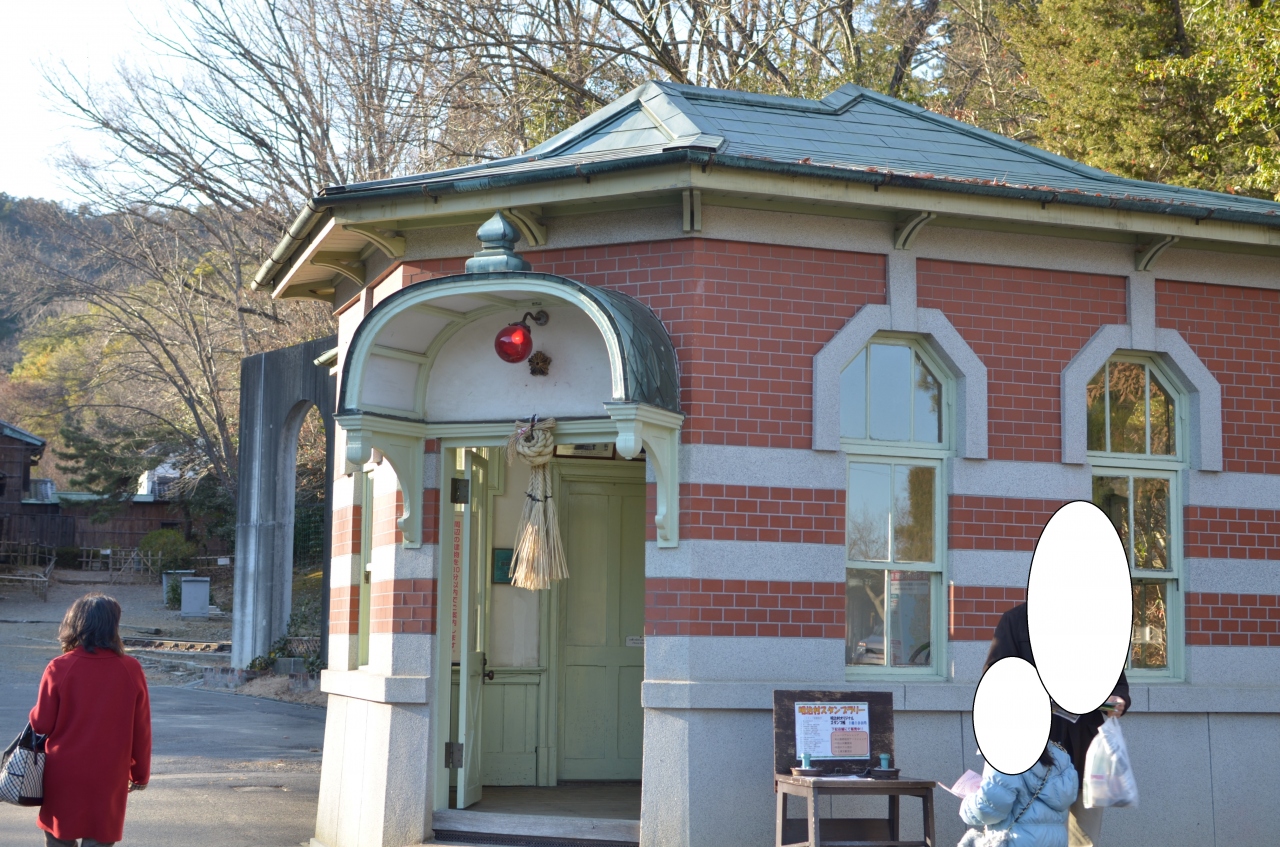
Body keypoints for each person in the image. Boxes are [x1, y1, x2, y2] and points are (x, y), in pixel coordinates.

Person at [983, 602, 1129, 847]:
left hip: (1084, 750)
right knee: (1035, 837)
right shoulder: (1016, 620)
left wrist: (1118, 699)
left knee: (1084, 839)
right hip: (1034, 754)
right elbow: (995, 677)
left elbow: (1118, 682)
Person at [29, 594, 152, 847]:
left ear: (75, 623)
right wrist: (139, 774)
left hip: (64, 771)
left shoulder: (59, 667)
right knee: (99, 836)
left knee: (60, 837)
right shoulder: (131, 669)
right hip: (109, 773)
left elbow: (41, 724)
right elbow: (141, 729)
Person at [959, 741, 1078, 847]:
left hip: (1016, 841)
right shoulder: (1059, 755)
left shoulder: (1004, 754)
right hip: (1055, 841)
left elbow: (988, 810)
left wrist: (967, 804)